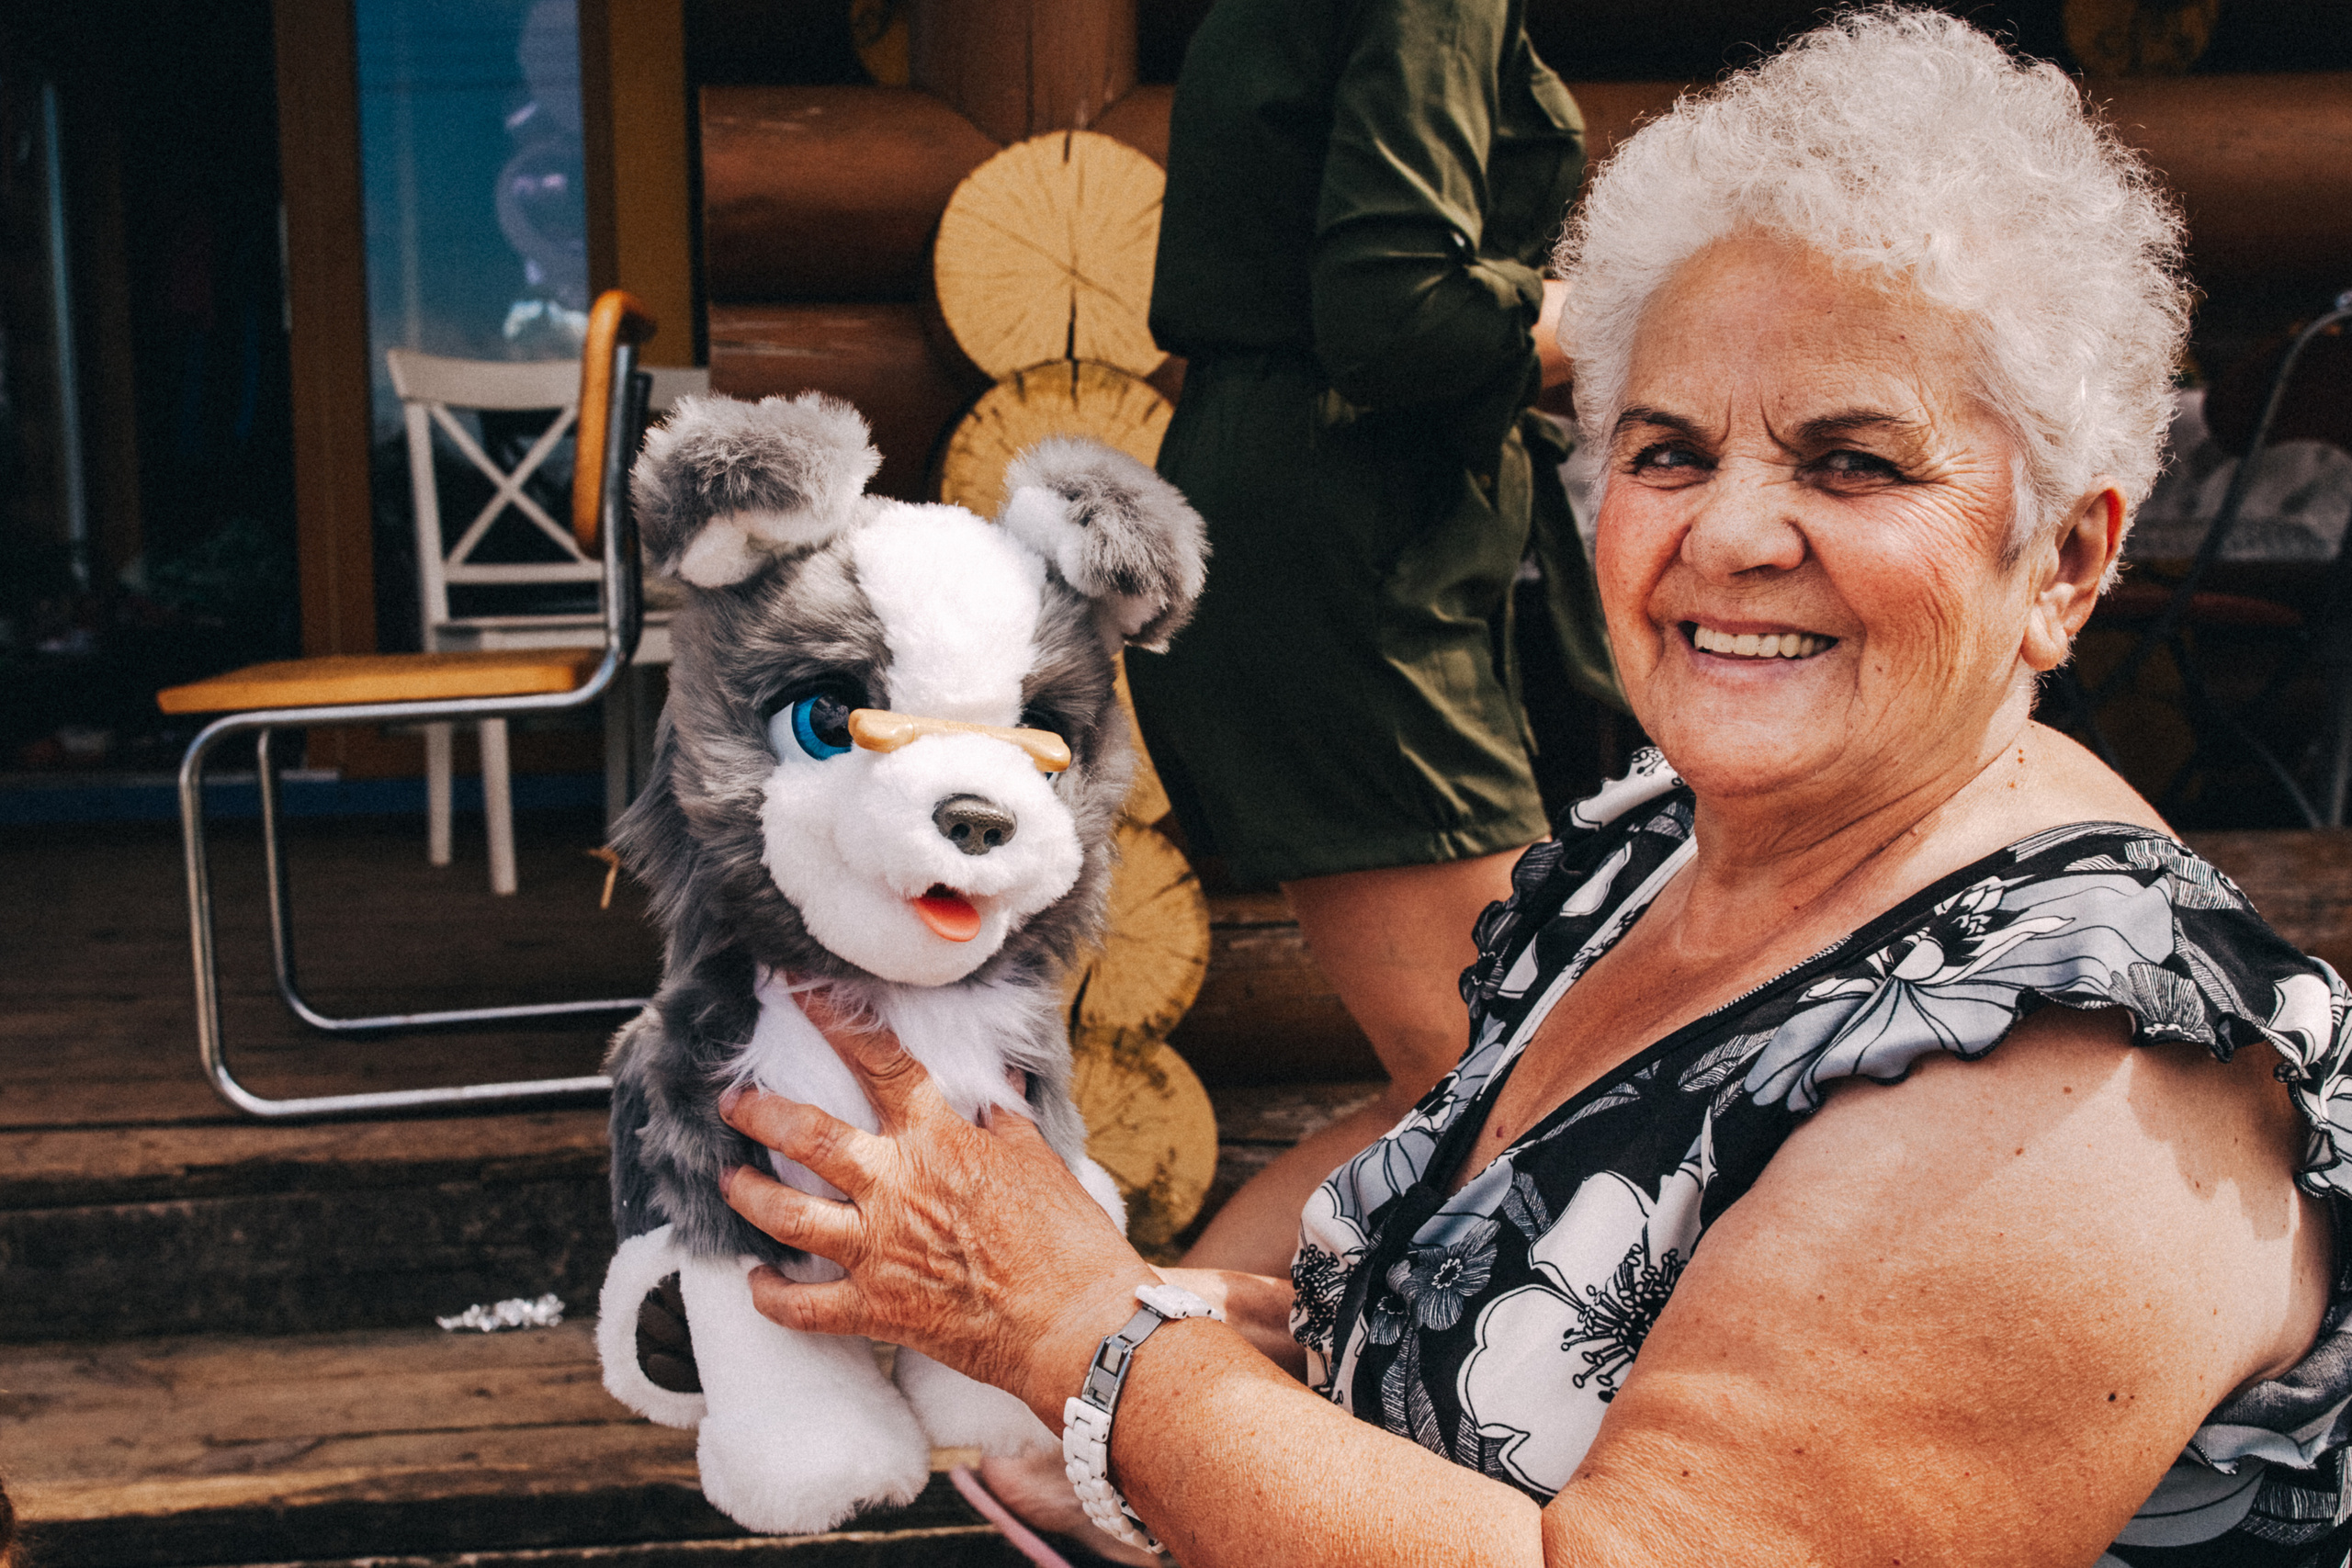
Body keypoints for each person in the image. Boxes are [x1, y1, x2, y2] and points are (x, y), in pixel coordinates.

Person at [713, 11, 2352, 1564]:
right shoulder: (1653, 853)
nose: (1729, 533)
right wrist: (1101, 1332)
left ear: (2067, 557)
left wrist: (1077, 1336)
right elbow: (1473, 1350)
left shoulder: (2083, 1072)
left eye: (1853, 461)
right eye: (1668, 450)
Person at [1126, 0, 1622, 1277]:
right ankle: (1101, 1430)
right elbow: (1400, 317)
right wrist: (1644, 314)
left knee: (1489, 1071)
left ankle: (1093, 1420)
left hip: (1335, 537)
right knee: (1498, 1071)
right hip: (1347, 564)